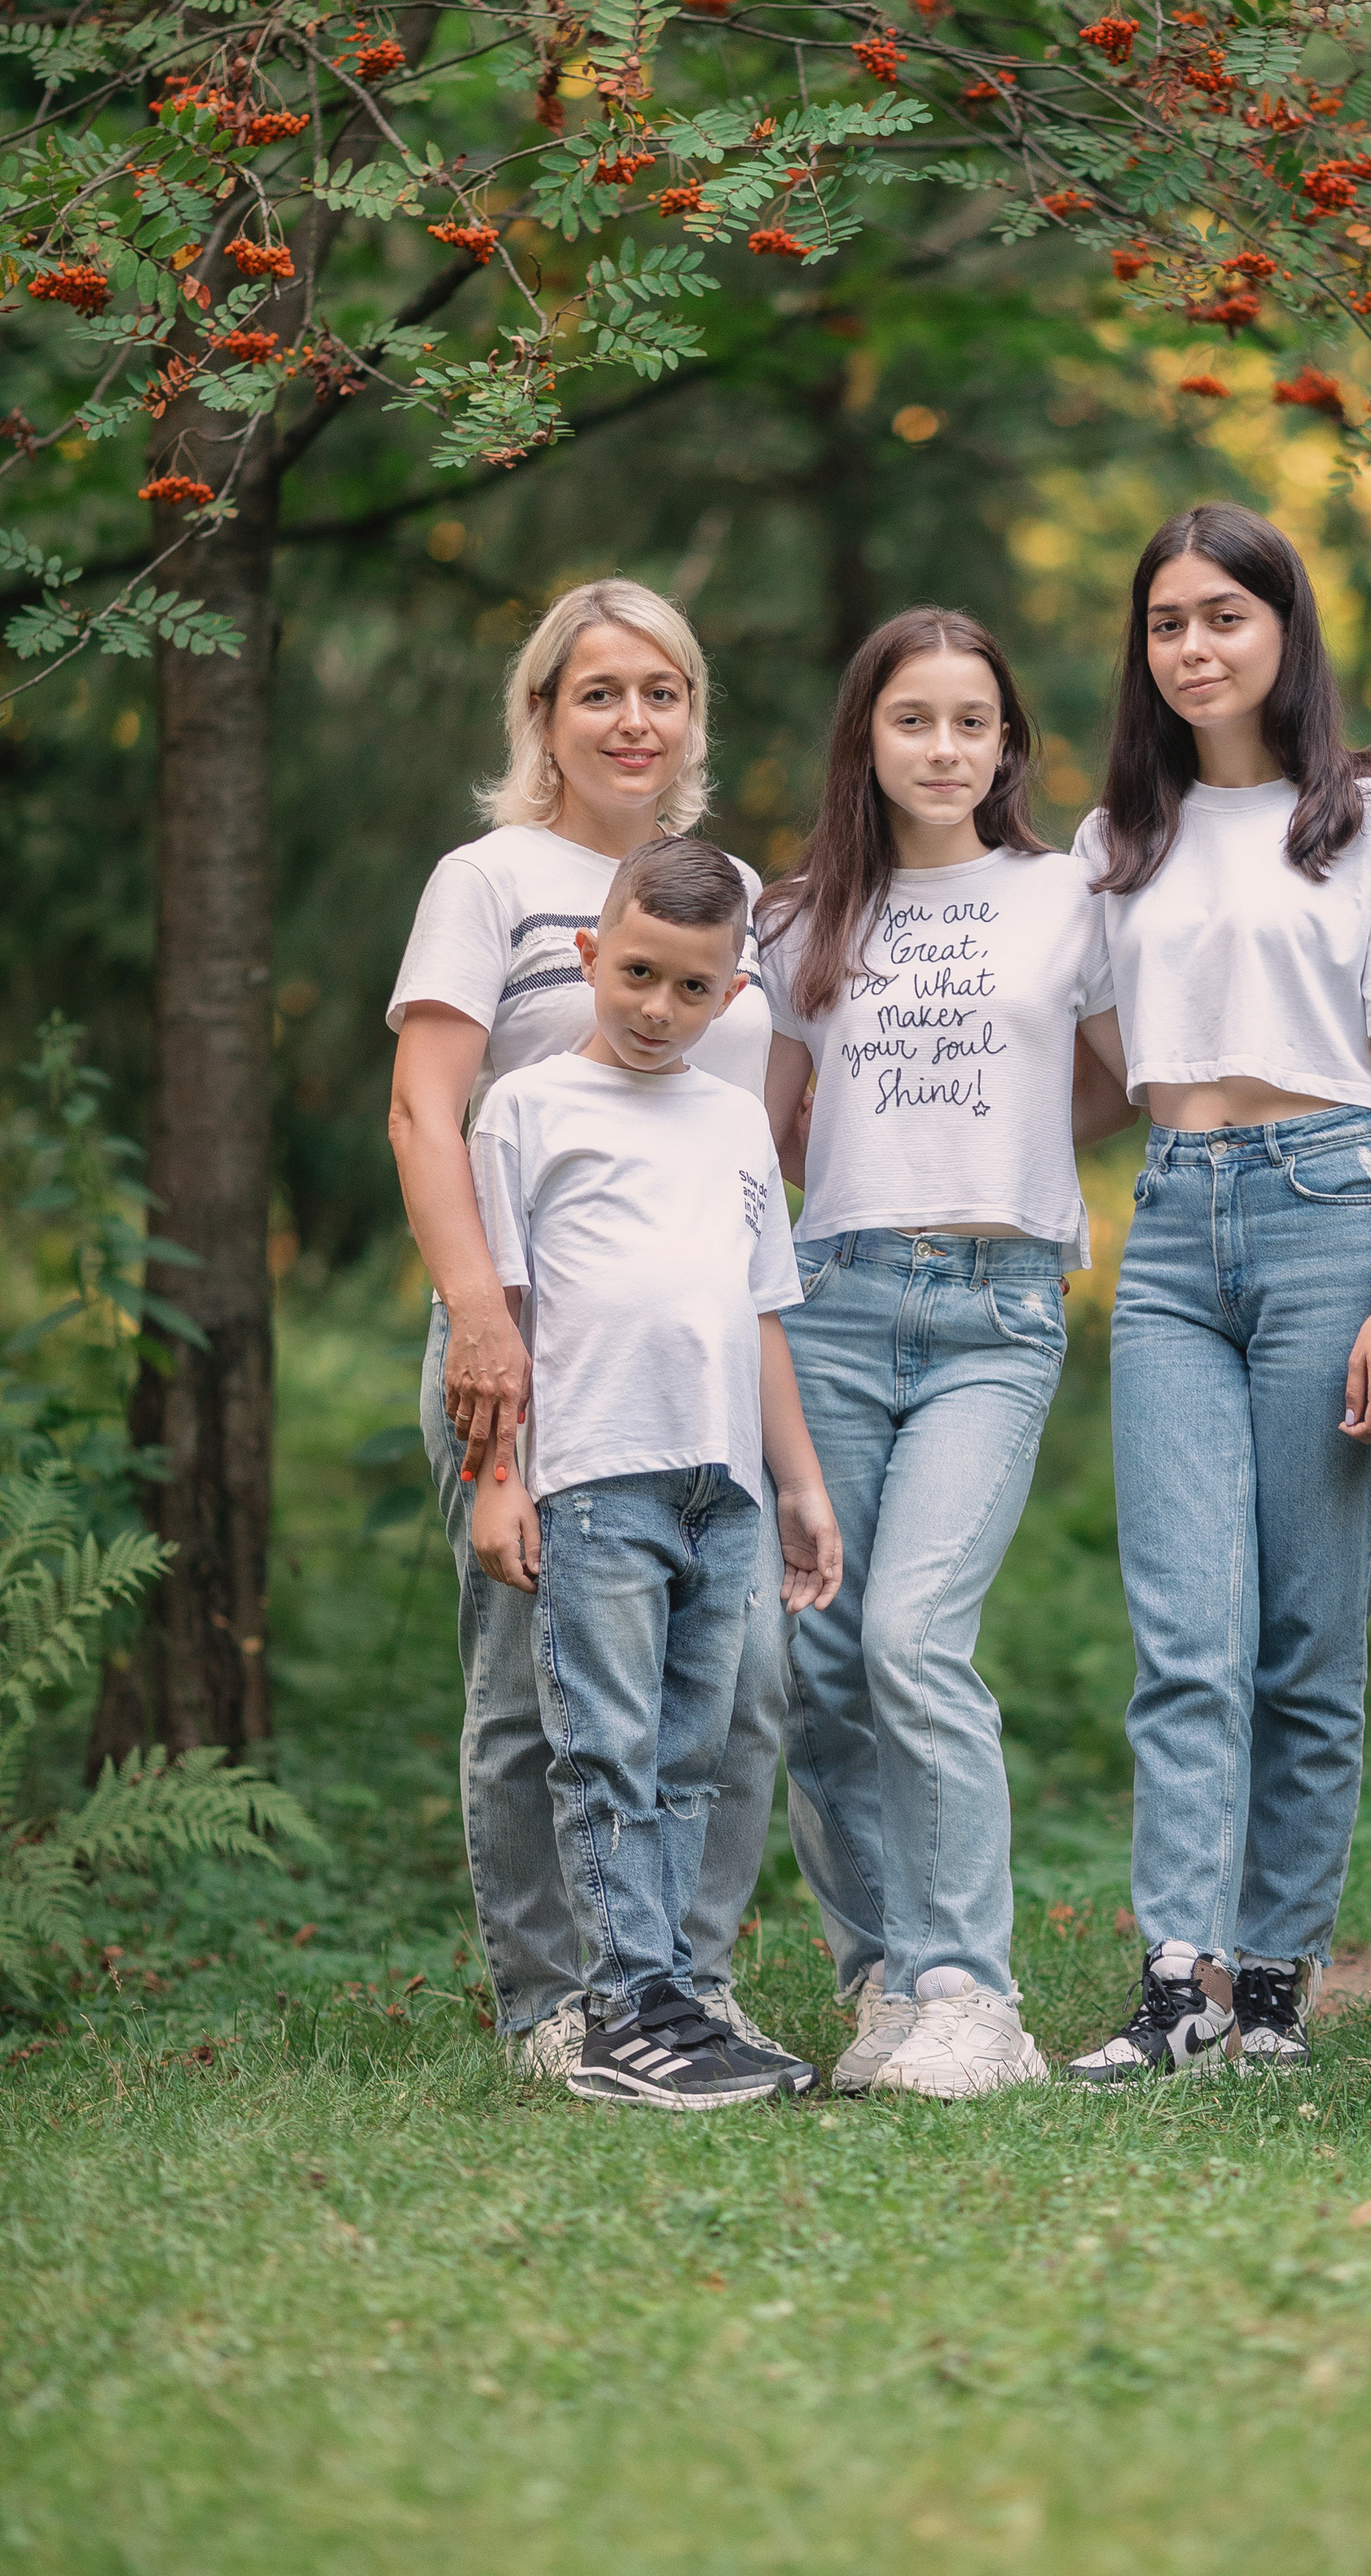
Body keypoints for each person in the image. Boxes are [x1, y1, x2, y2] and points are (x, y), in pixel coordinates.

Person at [386, 578, 810, 2084]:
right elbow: (426, 1111)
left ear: (693, 715)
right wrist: (479, 1324)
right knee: (535, 1690)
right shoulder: (490, 878)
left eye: (663, 691)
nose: (634, 719)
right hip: (530, 1349)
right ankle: (556, 2003)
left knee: (738, 1687)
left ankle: (680, 1982)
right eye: (600, 691)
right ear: (543, 715)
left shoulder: (727, 885)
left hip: (696, 1372)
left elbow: (745, 1143)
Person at [1066, 506, 1371, 2084]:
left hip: (1330, 1216)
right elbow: (1093, 1063)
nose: (1192, 646)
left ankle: (1275, 1986)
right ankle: (1178, 1984)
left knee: (1306, 1638)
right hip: (1171, 1229)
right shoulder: (1116, 841)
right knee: (1183, 1631)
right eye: (1165, 621)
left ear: (1283, 632)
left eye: (1223, 614)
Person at [758, 609, 1122, 2100]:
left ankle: (976, 1992)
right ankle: (885, 1992)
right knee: (823, 1663)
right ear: (867, 739)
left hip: (998, 1308)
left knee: (913, 1634)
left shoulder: (1067, 894)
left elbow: (1111, 1086)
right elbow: (766, 1126)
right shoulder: (797, 919)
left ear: (1009, 744)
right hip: (837, 1293)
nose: (946, 747)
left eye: (974, 721)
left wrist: (1002, 1169)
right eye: (915, 719)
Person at [466, 835, 842, 2108]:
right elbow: (501, 1327)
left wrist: (798, 1486)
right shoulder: (524, 1110)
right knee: (606, 1746)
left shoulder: (735, 1118)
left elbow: (763, 1316)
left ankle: (674, 1995)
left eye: (691, 989)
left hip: (721, 1487)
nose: (656, 1008)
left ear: (735, 995)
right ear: (588, 955)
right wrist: (498, 1478)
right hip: (594, 1481)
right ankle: (625, 2010)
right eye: (635, 974)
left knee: (698, 1750)